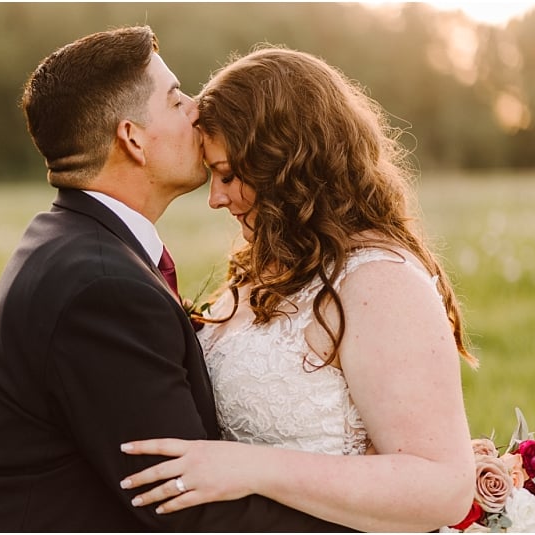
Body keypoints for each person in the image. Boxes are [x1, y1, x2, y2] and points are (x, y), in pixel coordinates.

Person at [0, 27, 352, 531]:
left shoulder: (72, 242)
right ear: (132, 138)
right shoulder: (101, 287)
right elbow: (186, 509)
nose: (197, 110)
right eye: (177, 99)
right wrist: (385, 521)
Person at [119, 46, 478, 532]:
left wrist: (251, 469)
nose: (215, 198)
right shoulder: (270, 265)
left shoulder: (380, 280)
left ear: (287, 164)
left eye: (227, 174)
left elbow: (442, 486)